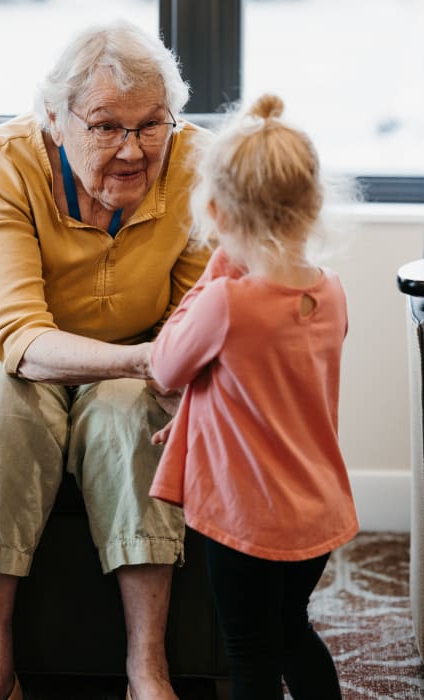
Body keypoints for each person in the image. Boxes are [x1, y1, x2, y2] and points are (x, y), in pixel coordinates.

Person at [0, 20, 211, 700]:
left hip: (137, 350)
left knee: (127, 413)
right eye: (108, 126)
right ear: (54, 118)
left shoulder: (198, 165)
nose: (135, 150)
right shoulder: (1, 162)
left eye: (152, 125)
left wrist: (154, 365)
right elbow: (19, 338)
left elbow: (193, 317)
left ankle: (148, 668)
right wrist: (149, 361)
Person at [148, 93, 360, 699]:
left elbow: (165, 365)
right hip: (314, 512)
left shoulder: (226, 301)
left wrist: (216, 271)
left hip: (246, 521)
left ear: (216, 210)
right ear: (313, 204)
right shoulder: (333, 292)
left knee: (249, 654)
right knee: (293, 630)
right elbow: (264, 382)